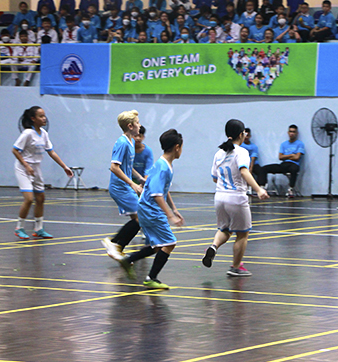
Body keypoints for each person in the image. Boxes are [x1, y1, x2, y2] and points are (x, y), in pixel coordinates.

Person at [108, 129, 185, 289]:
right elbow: (157, 195)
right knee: (170, 243)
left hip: (146, 209)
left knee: (157, 246)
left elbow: (163, 190)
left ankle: (128, 260)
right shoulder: (163, 167)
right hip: (151, 210)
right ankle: (151, 278)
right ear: (177, 147)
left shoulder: (163, 164)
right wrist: (170, 215)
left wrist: (174, 208)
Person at [203, 119, 269, 277]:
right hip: (236, 198)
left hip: (219, 197)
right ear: (241, 134)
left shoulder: (219, 153)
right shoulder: (242, 152)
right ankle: (236, 266)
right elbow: (245, 172)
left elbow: (214, 177)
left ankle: (213, 246)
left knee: (224, 229)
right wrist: (258, 189)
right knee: (242, 234)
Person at [12, 107, 73, 239]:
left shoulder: (44, 133)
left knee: (41, 198)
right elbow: (15, 150)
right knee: (29, 199)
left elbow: (51, 151)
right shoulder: (27, 133)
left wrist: (64, 166)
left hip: (36, 168)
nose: (44, 118)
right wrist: (26, 165)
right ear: (33, 119)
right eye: (40, 116)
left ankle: (39, 228)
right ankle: (19, 227)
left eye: (44, 116)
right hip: (23, 168)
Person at [102, 110, 146, 258]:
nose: (140, 125)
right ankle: (115, 243)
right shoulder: (122, 143)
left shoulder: (131, 141)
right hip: (119, 188)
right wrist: (132, 185)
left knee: (139, 218)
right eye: (137, 123)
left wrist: (139, 178)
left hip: (125, 186)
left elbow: (127, 165)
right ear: (130, 126)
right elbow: (114, 167)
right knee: (141, 218)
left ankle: (116, 245)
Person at [260, 124, 305, 197]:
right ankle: (262, 187)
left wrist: (287, 156)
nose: (292, 133)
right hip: (284, 164)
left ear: (297, 133)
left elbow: (297, 157)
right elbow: (280, 157)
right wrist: (291, 155)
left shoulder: (300, 144)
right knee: (264, 168)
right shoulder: (284, 144)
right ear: (288, 132)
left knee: (294, 169)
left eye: (293, 132)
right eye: (290, 131)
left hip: (294, 164)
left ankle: (291, 188)